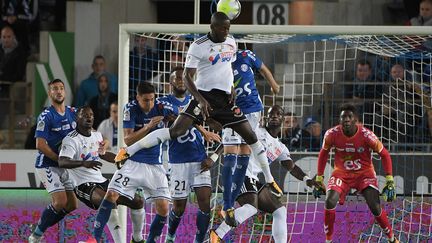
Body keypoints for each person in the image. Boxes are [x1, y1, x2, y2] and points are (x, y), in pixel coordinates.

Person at [115, 13, 282, 228]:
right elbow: (186, 77)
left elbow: (227, 68)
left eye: (228, 28)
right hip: (203, 96)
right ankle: (128, 151)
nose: (226, 33)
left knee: (251, 136)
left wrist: (231, 88)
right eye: (222, 29)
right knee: (175, 131)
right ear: (213, 27)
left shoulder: (231, 42)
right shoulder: (198, 46)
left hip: (224, 100)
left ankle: (269, 180)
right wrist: (201, 100)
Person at [208, 105, 321, 243]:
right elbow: (230, 137)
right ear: (266, 118)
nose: (274, 116)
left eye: (278, 114)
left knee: (280, 211)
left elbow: (292, 167)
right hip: (239, 172)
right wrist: (214, 157)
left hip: (252, 179)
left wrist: (307, 180)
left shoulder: (280, 147)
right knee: (250, 208)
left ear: (283, 119)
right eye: (271, 114)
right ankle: (217, 234)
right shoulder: (254, 129)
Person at [84, 82, 178, 243]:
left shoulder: (162, 107)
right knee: (111, 194)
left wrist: (175, 120)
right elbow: (128, 139)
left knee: (163, 207)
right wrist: (148, 126)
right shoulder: (130, 108)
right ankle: (94, 238)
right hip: (132, 162)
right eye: (145, 100)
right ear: (138, 98)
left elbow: (182, 120)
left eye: (152, 99)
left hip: (155, 165)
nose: (149, 103)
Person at [313, 103, 399, 243]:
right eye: (343, 117)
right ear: (339, 120)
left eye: (349, 117)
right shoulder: (331, 134)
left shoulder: (367, 136)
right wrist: (319, 178)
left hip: (364, 174)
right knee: (329, 200)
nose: (346, 119)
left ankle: (392, 239)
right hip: (341, 173)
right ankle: (328, 240)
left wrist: (389, 179)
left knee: (375, 205)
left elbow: (385, 154)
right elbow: (323, 154)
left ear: (356, 120)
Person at [58, 106, 144, 242]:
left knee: (138, 201)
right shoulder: (71, 139)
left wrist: (121, 159)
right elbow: (62, 161)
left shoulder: (96, 135)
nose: (89, 117)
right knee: (109, 202)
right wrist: (83, 163)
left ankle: (138, 239)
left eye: (91, 115)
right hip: (82, 185)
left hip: (101, 181)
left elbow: (102, 154)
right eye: (84, 115)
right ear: (77, 118)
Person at [161, 67, 221, 243]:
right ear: (170, 81)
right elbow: (179, 120)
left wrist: (206, 131)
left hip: (199, 158)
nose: (181, 81)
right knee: (179, 207)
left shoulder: (197, 100)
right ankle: (170, 236)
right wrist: (203, 131)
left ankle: (200, 239)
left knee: (205, 202)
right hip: (178, 160)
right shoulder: (165, 103)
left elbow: (202, 117)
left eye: (183, 78)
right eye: (176, 78)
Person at [221, 49, 280, 224]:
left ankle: (268, 180)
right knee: (230, 155)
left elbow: (263, 68)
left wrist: (274, 84)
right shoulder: (218, 63)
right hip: (232, 112)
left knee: (245, 152)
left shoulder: (246, 55)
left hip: (253, 111)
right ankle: (227, 205)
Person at [28, 79, 78, 242]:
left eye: (61, 88)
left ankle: (40, 227)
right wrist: (60, 159)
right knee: (60, 201)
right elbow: (40, 145)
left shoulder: (73, 112)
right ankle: (36, 236)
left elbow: (88, 130)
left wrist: (101, 140)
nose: (59, 91)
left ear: (65, 92)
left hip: (64, 166)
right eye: (55, 89)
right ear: (50, 93)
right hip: (47, 164)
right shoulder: (46, 116)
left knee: (72, 205)